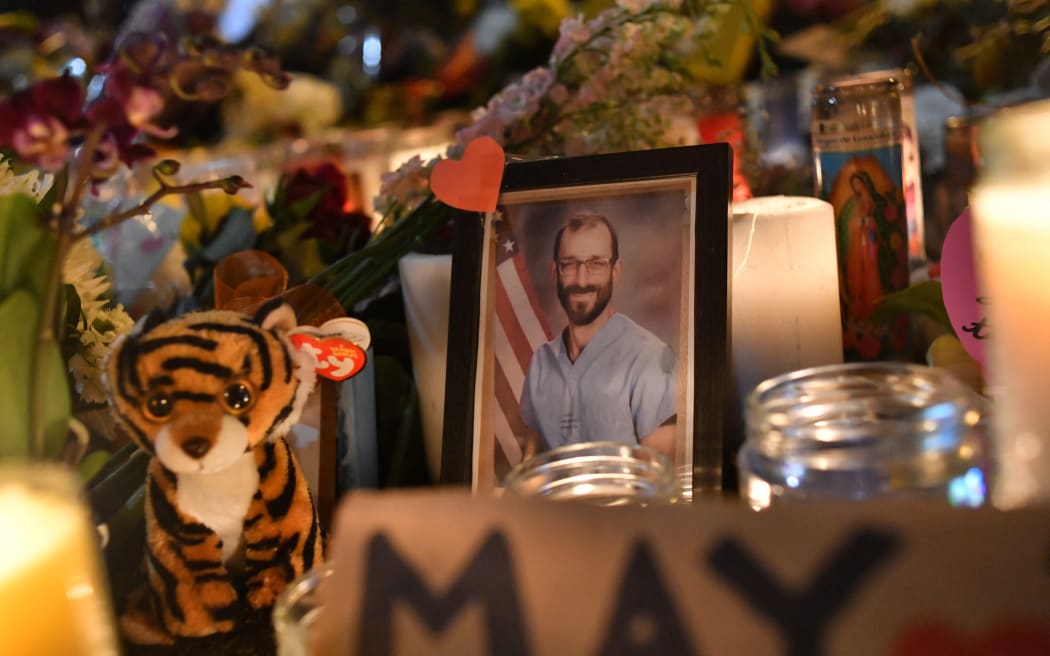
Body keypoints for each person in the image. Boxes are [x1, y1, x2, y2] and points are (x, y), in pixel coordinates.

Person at [518, 210, 677, 459]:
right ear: (554, 272)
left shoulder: (649, 358)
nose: (582, 280)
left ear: (615, 271)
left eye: (596, 265)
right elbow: (531, 457)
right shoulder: (541, 361)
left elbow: (660, 473)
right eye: (569, 264)